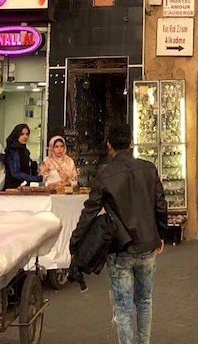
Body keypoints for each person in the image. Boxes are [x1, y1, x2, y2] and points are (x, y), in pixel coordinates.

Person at [69, 125, 167, 344]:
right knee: (144, 301)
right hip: (147, 244)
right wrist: (161, 234)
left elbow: (89, 211)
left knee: (122, 308)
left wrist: (75, 241)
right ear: (131, 143)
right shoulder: (148, 169)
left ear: (109, 146)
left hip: (120, 247)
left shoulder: (104, 174)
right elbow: (160, 205)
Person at [1, 123, 42, 188]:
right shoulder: (13, 150)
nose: (25, 137)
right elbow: (15, 173)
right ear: (16, 135)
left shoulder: (24, 151)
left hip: (23, 186)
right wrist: (36, 178)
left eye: (27, 134)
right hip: (13, 188)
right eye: (22, 134)